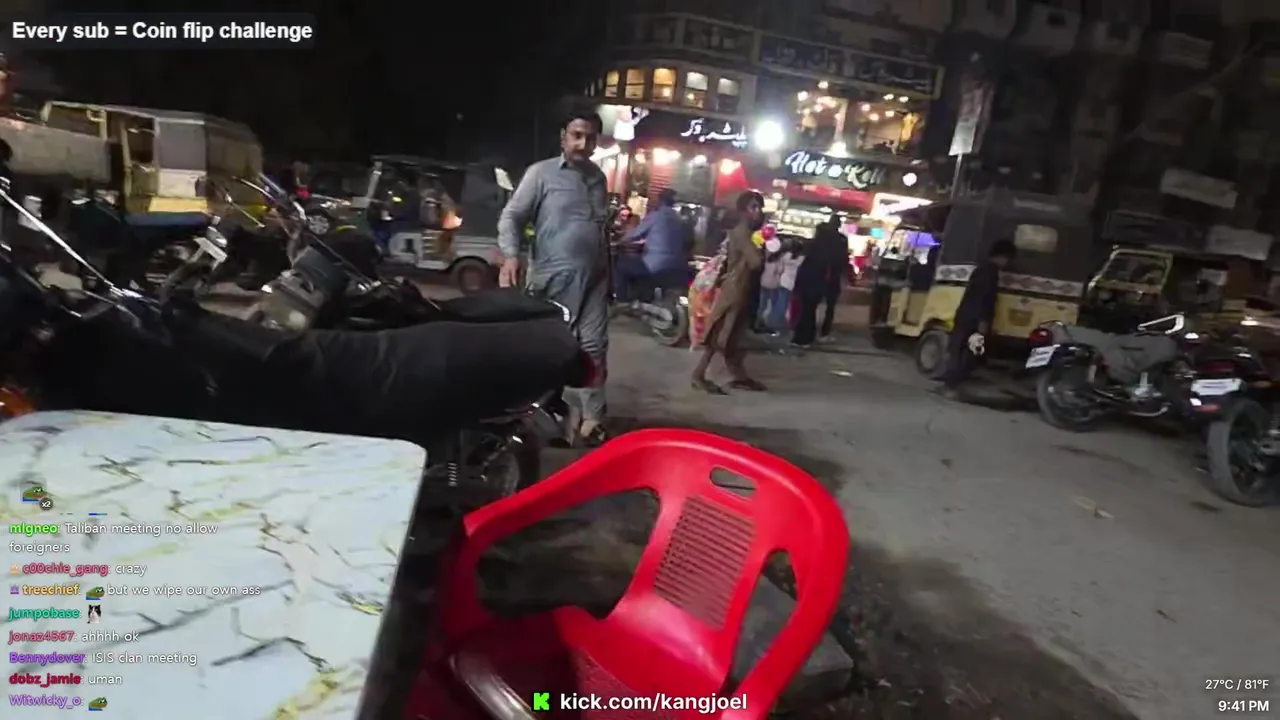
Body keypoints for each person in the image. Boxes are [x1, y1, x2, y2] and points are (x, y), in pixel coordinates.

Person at [496, 111, 611, 446]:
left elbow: (601, 231)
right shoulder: (541, 174)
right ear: (563, 137)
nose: (583, 144)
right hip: (551, 278)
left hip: (595, 279)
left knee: (594, 347)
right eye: (577, 135)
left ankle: (592, 420)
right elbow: (512, 216)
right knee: (549, 349)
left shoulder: (598, 178)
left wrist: (611, 278)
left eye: (590, 138)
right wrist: (511, 255)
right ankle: (539, 415)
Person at [692, 191, 767, 394]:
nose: (758, 212)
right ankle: (698, 375)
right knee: (720, 334)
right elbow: (755, 262)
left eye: (759, 207)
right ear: (743, 210)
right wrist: (762, 249)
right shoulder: (742, 232)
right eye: (753, 207)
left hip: (739, 287)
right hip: (735, 289)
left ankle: (739, 377)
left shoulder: (744, 231)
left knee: (733, 335)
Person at [937, 239, 1016, 399]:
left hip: (964, 316)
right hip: (974, 320)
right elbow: (985, 299)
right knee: (967, 354)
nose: (1006, 264)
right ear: (1003, 256)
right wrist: (983, 321)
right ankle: (952, 387)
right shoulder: (991, 272)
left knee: (958, 350)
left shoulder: (981, 268)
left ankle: (948, 385)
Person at [615, 188, 686, 301]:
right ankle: (643, 297)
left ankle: (622, 302)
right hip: (676, 267)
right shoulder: (680, 219)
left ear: (660, 200)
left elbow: (635, 234)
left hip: (654, 266)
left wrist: (620, 240)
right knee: (639, 266)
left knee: (622, 266)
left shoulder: (656, 215)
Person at [791, 215, 847, 347]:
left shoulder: (814, 246)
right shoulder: (835, 245)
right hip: (821, 282)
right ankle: (813, 335)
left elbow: (804, 265)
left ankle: (803, 338)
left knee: (807, 311)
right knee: (811, 310)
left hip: (811, 283)